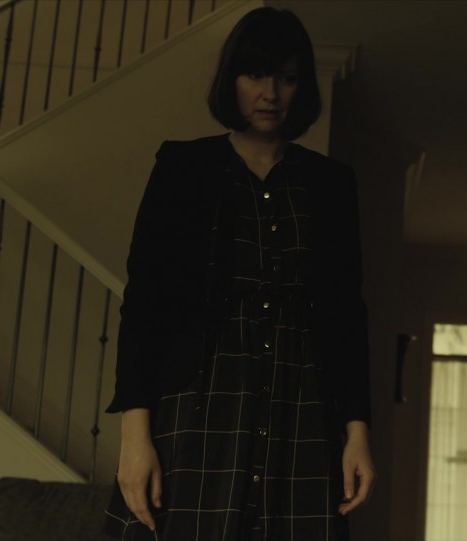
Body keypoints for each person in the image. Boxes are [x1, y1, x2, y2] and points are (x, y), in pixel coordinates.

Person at [102, 7, 374, 540]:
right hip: (200, 405)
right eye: (255, 75)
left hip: (301, 407)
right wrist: (135, 435)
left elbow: (346, 316)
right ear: (232, 80)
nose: (270, 93)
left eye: (287, 78)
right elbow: (145, 304)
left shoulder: (331, 184)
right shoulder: (183, 169)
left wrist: (357, 432)